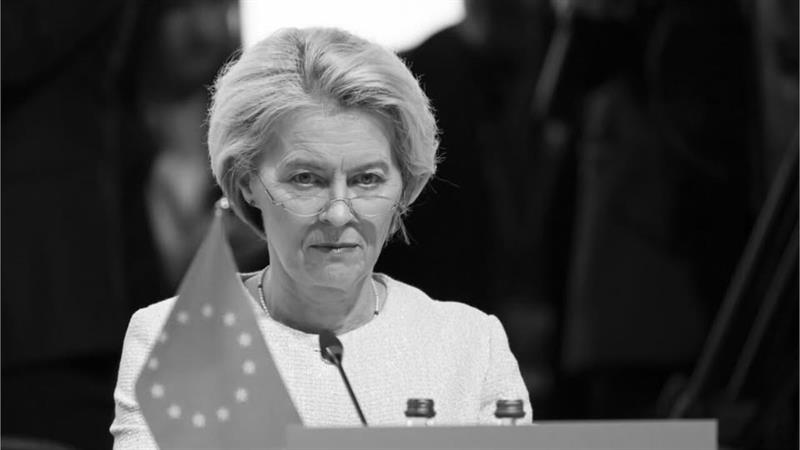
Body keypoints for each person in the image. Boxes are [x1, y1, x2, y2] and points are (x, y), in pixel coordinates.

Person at [110, 27, 531, 443]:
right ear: (245, 182)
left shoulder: (472, 345)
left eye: (367, 179)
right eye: (306, 179)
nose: (338, 213)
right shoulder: (172, 340)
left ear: (405, 186)